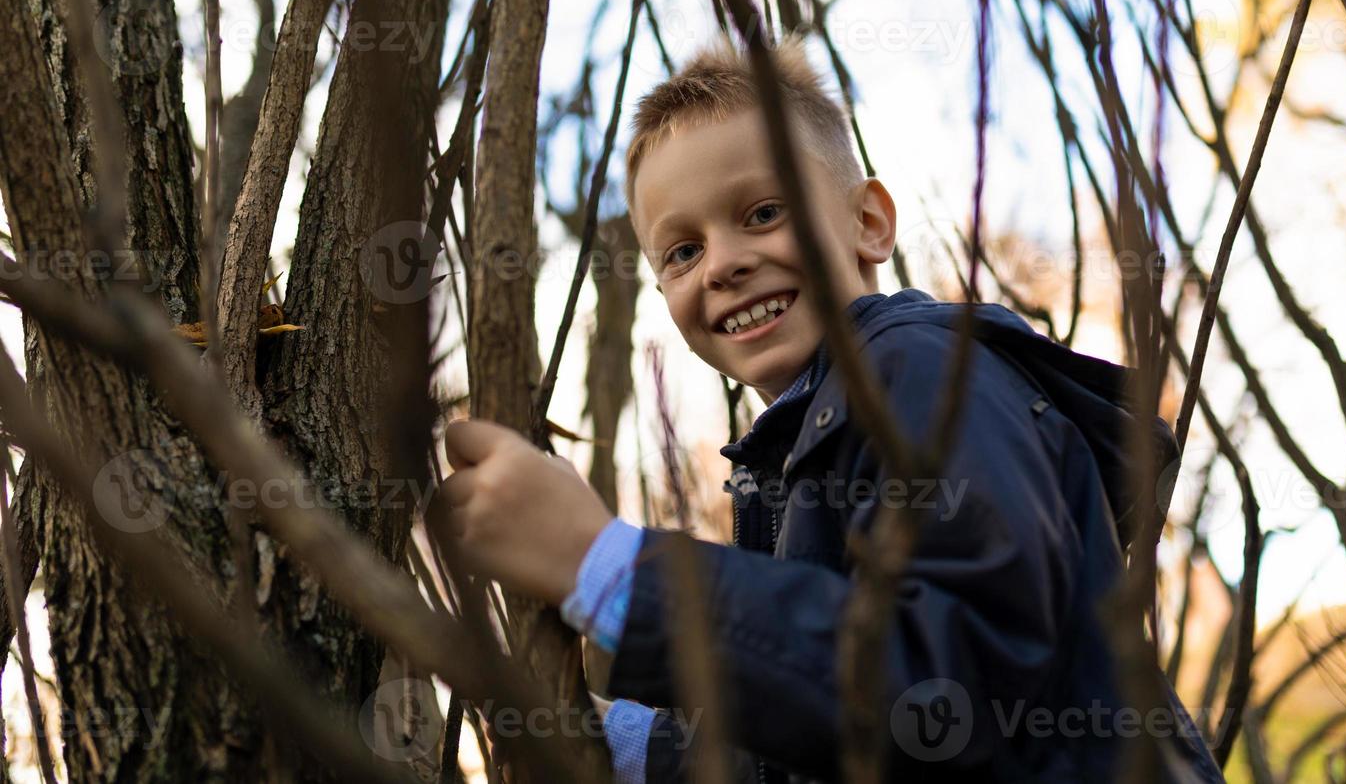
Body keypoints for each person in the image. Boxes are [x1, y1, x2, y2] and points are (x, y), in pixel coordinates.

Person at [434, 40, 1224, 782]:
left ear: (869, 223)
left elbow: (951, 685)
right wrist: (636, 751)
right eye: (682, 251)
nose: (725, 264)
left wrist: (609, 570)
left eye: (762, 213)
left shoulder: (919, 372)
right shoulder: (799, 452)